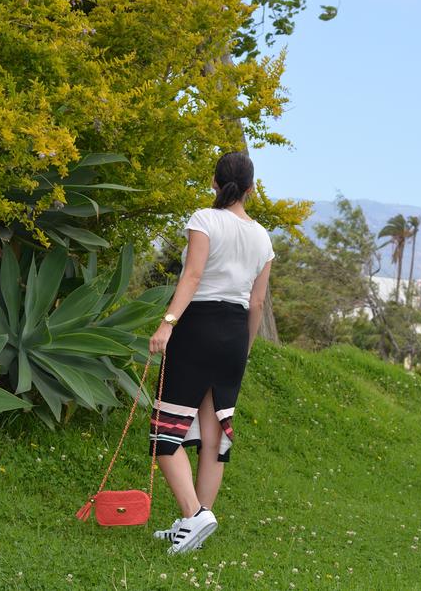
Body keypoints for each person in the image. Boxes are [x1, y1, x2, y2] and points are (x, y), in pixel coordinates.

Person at [148, 151, 275, 555]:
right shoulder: (263, 237)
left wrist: (167, 323)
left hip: (198, 326)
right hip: (236, 334)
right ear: (251, 190)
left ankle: (193, 516)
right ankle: (196, 524)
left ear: (214, 183)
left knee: (164, 432)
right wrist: (244, 348)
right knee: (213, 434)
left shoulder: (204, 218)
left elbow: (194, 274)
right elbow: (257, 303)